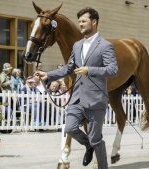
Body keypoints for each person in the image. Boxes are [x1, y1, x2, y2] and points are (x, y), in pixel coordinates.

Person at [36, 7, 118, 169]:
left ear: (94, 22)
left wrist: (90, 70)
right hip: (77, 97)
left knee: (96, 139)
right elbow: (69, 68)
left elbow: (113, 70)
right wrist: (48, 75)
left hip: (95, 99)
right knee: (70, 128)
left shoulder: (105, 46)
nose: (80, 24)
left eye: (83, 21)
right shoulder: (77, 45)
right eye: (79, 21)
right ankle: (88, 146)